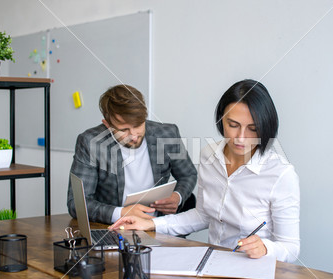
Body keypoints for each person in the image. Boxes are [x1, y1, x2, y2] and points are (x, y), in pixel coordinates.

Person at [110, 79, 300, 263]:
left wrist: (266, 248)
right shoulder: (209, 156)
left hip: (255, 270)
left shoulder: (281, 174)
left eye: (252, 129)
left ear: (266, 127)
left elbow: (290, 248)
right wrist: (151, 224)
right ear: (221, 120)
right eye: (233, 125)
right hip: (214, 262)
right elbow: (202, 215)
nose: (240, 138)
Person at [67, 84, 197, 224]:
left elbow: (188, 174)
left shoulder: (167, 134)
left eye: (138, 125)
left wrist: (177, 197)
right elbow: (77, 204)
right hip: (114, 229)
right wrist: (121, 213)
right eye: (124, 130)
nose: (134, 136)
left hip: (159, 225)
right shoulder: (91, 143)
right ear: (107, 125)